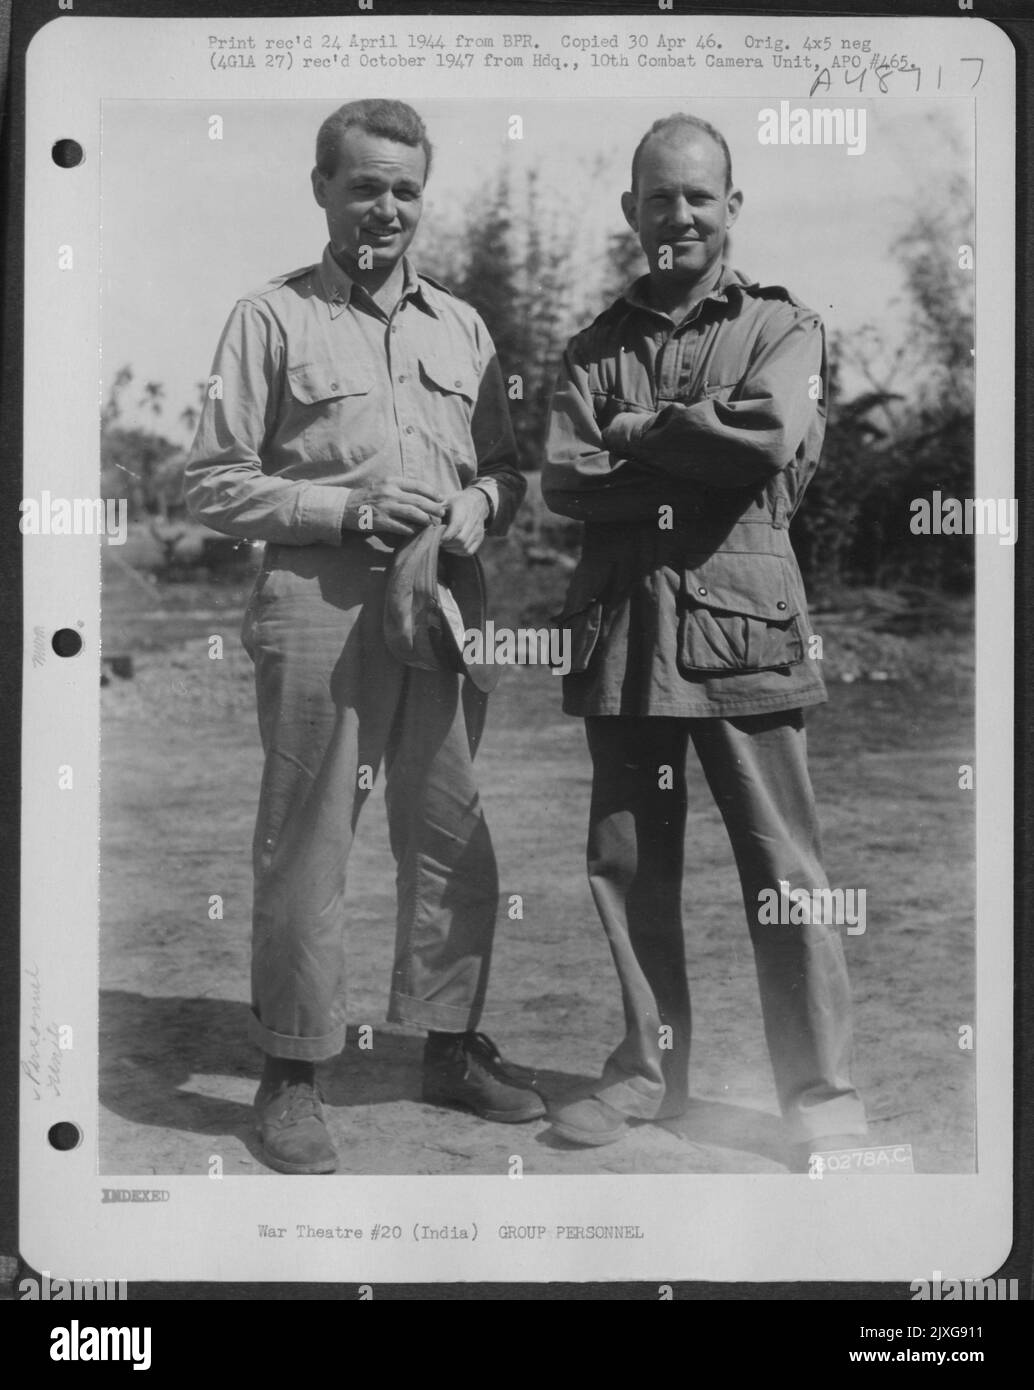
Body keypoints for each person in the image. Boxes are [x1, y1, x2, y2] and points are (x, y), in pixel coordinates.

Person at [184, 99, 539, 1176]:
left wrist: (480, 505)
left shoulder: (463, 326)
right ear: (322, 190)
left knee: (449, 828)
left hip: (442, 602)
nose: (383, 207)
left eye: (403, 189)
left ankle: (444, 1045)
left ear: (420, 199)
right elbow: (209, 480)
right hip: (317, 607)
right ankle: (292, 1074)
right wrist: (339, 511)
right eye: (363, 184)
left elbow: (506, 466)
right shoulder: (269, 317)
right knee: (309, 841)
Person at [541, 113, 868, 1170]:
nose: (675, 214)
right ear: (630, 210)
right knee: (629, 870)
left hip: (744, 631)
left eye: (696, 196)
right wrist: (697, 441)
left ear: (731, 206)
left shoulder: (785, 327)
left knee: (785, 870)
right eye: (655, 197)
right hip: (624, 632)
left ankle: (818, 1100)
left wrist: (637, 432)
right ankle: (648, 1075)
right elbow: (563, 480)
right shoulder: (589, 349)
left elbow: (765, 437)